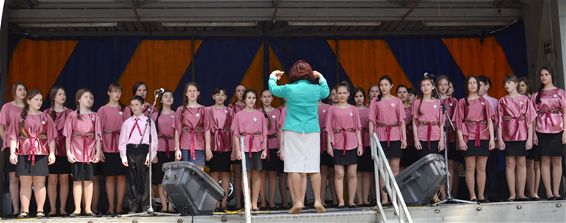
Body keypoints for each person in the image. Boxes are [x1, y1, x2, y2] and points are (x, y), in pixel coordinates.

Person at [268, 59, 329, 214]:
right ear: (309, 74)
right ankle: (317, 200)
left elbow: (273, 89)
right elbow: (326, 91)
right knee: (314, 167)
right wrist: (320, 76)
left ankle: (298, 202)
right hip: (312, 130)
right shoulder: (316, 90)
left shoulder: (289, 89)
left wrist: (273, 76)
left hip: (293, 130)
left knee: (294, 167)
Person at [8, 89, 56, 218]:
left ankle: (40, 210)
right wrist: (12, 152)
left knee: (40, 183)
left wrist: (52, 153)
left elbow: (51, 137)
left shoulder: (46, 117)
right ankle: (25, 210)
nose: (39, 102)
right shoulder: (20, 117)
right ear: (28, 101)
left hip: (41, 152)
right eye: (36, 99)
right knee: (25, 183)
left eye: (40, 100)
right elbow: (13, 136)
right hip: (24, 152)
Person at [453, 76, 495, 202]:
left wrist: (492, 139)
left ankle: (481, 194)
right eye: (469, 83)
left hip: (483, 135)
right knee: (470, 167)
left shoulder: (484, 101)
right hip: (468, 136)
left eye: (474, 83)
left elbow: (489, 121)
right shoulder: (462, 102)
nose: (472, 85)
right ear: (466, 86)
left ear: (478, 86)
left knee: (482, 167)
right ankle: (472, 195)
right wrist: (460, 140)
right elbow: (459, 123)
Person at [368, 75, 407, 205]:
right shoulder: (375, 101)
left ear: (391, 86)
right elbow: (371, 120)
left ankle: (395, 197)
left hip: (395, 135)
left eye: (386, 84)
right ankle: (384, 199)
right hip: (381, 136)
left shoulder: (397, 101)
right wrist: (371, 138)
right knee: (383, 169)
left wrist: (404, 138)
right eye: (381, 85)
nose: (383, 87)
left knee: (395, 168)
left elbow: (401, 121)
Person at [63, 89, 102, 217]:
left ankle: (88, 208)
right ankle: (77, 209)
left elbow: (98, 136)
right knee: (77, 180)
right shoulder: (72, 115)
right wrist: (68, 152)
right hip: (76, 150)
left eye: (91, 97)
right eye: (86, 97)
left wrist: (97, 153)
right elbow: (68, 136)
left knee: (89, 180)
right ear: (79, 99)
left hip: (90, 151)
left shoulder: (95, 116)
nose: (89, 99)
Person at [496, 75, 536, 201]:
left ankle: (521, 193)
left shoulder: (525, 99)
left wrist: (530, 138)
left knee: (522, 163)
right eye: (505, 83)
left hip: (522, 133)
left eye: (509, 82)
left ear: (516, 84)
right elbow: (499, 121)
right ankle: (512, 194)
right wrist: (500, 138)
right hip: (508, 135)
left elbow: (530, 120)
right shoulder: (502, 101)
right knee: (510, 163)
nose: (506, 85)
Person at [119, 96, 158, 213]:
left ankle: (145, 205)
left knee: (144, 179)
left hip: (144, 150)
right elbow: (122, 141)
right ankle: (133, 205)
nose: (134, 107)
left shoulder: (149, 121)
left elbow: (154, 140)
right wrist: (123, 156)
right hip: (131, 150)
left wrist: (149, 155)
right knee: (132, 179)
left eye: (137, 104)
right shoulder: (127, 122)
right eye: (132, 105)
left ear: (143, 106)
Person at [326, 82, 363, 208]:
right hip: (337, 142)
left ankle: (351, 200)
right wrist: (329, 145)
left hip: (352, 141)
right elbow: (329, 128)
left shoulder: (353, 109)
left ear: (348, 94)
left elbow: (358, 128)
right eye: (339, 93)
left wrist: (360, 145)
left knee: (352, 173)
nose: (341, 95)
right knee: (339, 173)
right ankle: (341, 200)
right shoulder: (332, 109)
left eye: (344, 93)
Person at [231, 89, 268, 211]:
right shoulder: (238, 115)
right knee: (245, 175)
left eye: (253, 98)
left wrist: (264, 150)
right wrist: (237, 150)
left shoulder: (260, 114)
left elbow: (264, 134)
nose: (251, 100)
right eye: (249, 98)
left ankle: (254, 203)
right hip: (244, 147)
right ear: (244, 100)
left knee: (256, 174)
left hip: (257, 146)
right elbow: (236, 134)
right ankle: (246, 202)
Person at [532, 67, 565, 200]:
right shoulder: (536, 95)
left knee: (557, 160)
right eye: (541, 75)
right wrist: (533, 134)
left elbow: (565, 113)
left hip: (558, 129)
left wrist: (565, 133)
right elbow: (532, 116)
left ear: (551, 75)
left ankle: (556, 191)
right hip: (541, 129)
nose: (544, 77)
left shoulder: (560, 92)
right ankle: (549, 192)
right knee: (544, 160)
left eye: (546, 74)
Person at [97, 83, 127, 216]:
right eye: (115, 91)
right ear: (109, 93)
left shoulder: (125, 109)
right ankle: (110, 207)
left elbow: (127, 128)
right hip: (107, 146)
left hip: (121, 146)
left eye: (119, 92)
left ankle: (119, 206)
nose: (117, 94)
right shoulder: (102, 109)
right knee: (109, 177)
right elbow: (98, 130)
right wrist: (100, 149)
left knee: (121, 177)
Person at [0, 82, 27, 217]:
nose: (22, 92)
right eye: (20, 89)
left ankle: (24, 209)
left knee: (25, 178)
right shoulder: (7, 107)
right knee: (13, 178)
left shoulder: (29, 107)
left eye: (24, 89)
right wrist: (6, 142)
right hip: (11, 145)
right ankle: (15, 208)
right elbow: (2, 127)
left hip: (27, 147)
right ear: (14, 91)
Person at [44, 86, 72, 217]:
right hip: (51, 149)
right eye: (60, 94)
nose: (63, 96)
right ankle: (52, 209)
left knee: (64, 179)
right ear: (53, 96)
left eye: (64, 94)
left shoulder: (70, 113)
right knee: (52, 180)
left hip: (66, 149)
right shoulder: (46, 113)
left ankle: (63, 209)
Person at [205, 88, 234, 211]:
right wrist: (208, 148)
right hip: (213, 144)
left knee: (226, 173)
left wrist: (234, 148)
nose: (220, 97)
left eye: (223, 95)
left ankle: (224, 202)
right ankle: (215, 202)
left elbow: (233, 131)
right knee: (214, 173)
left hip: (227, 144)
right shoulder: (208, 110)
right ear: (213, 96)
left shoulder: (230, 111)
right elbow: (206, 128)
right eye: (218, 94)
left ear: (226, 97)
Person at [173, 82, 210, 169]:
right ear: (186, 93)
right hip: (184, 145)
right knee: (184, 173)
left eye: (194, 91)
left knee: (199, 172)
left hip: (199, 145)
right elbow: (177, 130)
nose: (192, 93)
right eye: (190, 91)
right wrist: (177, 149)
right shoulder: (181, 109)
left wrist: (208, 148)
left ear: (198, 93)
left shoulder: (204, 109)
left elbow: (207, 130)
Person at [258, 89, 284, 210]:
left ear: (272, 98)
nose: (267, 99)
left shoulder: (277, 112)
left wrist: (280, 147)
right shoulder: (258, 112)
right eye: (264, 96)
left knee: (273, 174)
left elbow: (280, 130)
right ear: (261, 98)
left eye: (269, 96)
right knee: (262, 175)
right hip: (262, 146)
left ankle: (272, 201)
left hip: (274, 145)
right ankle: (263, 201)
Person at [151, 90, 176, 213]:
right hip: (160, 148)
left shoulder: (176, 114)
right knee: (160, 179)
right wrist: (153, 153)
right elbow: (152, 135)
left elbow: (179, 133)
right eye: (165, 96)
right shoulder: (155, 115)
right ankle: (164, 206)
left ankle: (171, 206)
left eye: (170, 96)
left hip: (172, 148)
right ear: (160, 100)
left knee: (171, 179)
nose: (168, 98)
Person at [437, 75, 462, 197]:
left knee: (451, 165)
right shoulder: (434, 100)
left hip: (451, 135)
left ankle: (449, 193)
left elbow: (457, 120)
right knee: (440, 167)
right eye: (440, 84)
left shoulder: (454, 101)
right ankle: (442, 195)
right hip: (437, 136)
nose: (443, 87)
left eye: (445, 84)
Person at [518, 76, 541, 200]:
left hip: (532, 133)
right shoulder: (515, 99)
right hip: (519, 135)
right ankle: (522, 191)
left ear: (528, 86)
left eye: (523, 85)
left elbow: (533, 119)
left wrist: (534, 135)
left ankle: (533, 191)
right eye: (519, 85)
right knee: (521, 163)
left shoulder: (532, 98)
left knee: (533, 163)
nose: (521, 88)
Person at [412, 77, 445, 158]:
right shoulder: (417, 103)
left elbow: (441, 123)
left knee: (435, 162)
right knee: (423, 162)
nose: (426, 87)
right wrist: (416, 139)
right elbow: (414, 123)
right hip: (422, 136)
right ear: (420, 88)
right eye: (423, 85)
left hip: (435, 135)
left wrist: (441, 140)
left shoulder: (438, 102)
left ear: (433, 87)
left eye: (428, 85)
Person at [353, 87, 372, 207]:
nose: (359, 99)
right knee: (357, 173)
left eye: (361, 96)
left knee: (366, 173)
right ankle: (359, 199)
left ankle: (365, 199)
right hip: (354, 141)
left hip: (367, 141)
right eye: (356, 96)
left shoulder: (369, 110)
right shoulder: (351, 109)